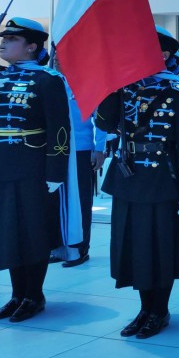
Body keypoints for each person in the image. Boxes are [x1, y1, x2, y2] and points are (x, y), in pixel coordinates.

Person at [95, 26, 179, 340]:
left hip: (163, 180)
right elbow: (104, 121)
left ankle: (159, 310)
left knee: (160, 249)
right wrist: (111, 85)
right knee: (133, 247)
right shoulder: (125, 86)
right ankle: (144, 308)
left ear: (163, 53)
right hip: (127, 177)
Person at [0, 18, 71, 323]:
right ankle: (16, 294)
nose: (4, 42)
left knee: (32, 231)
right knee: (8, 231)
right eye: (4, 38)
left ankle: (33, 295)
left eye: (12, 39)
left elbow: (59, 129)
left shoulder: (47, 80)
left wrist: (55, 173)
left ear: (32, 47)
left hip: (31, 167)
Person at [50, 55, 107, 268]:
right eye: (55, 57)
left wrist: (99, 149)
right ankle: (58, 247)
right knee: (54, 199)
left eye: (62, 57)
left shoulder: (87, 85)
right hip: (54, 150)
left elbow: (100, 120)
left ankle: (80, 248)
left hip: (81, 150)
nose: (57, 60)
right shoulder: (49, 82)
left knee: (81, 200)